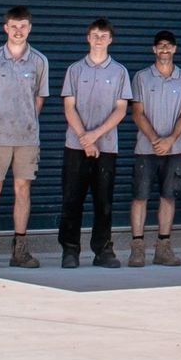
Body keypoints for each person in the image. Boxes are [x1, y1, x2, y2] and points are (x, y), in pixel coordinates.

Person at [0, 5, 49, 270]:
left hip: (27, 140)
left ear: (30, 28)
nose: (18, 31)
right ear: (6, 28)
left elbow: (39, 98)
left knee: (23, 190)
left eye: (23, 26)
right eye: (14, 26)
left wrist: (28, 123)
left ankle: (20, 252)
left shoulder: (39, 61)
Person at [58, 17, 133, 269]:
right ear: (87, 38)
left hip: (107, 147)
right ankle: (70, 251)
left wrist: (94, 136)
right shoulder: (75, 70)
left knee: (104, 202)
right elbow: (69, 107)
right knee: (72, 200)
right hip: (75, 147)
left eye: (103, 36)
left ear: (110, 40)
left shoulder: (120, 72)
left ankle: (103, 251)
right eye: (95, 35)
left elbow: (121, 110)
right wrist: (84, 138)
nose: (99, 40)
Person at [128, 29, 181, 268]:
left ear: (175, 49)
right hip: (145, 149)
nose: (164, 49)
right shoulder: (141, 77)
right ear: (154, 50)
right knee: (140, 197)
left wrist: (170, 140)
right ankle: (137, 249)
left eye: (169, 45)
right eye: (160, 45)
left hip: (174, 149)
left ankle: (163, 249)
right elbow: (137, 113)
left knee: (169, 197)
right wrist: (156, 139)